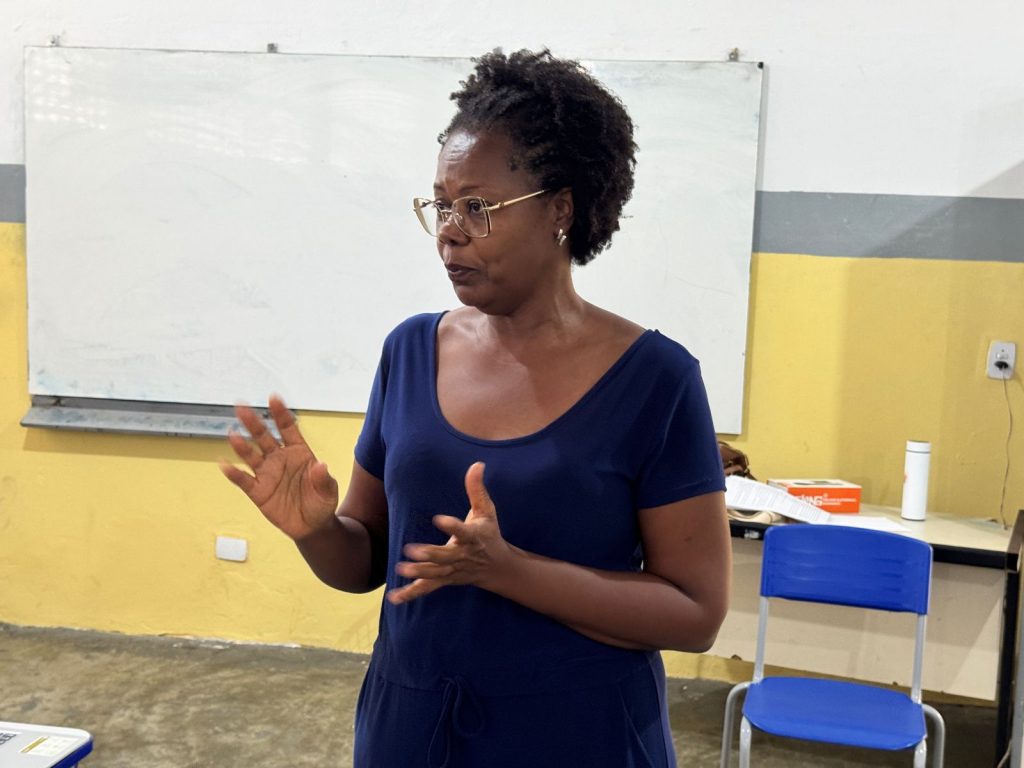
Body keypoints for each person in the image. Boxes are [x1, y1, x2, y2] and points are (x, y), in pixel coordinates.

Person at [221, 48, 731, 767]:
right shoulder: (410, 351)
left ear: (560, 210)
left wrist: (507, 569)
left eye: (479, 208)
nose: (450, 230)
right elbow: (368, 562)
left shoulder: (656, 379)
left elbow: (695, 614)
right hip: (411, 729)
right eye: (442, 204)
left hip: (576, 736)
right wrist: (315, 531)